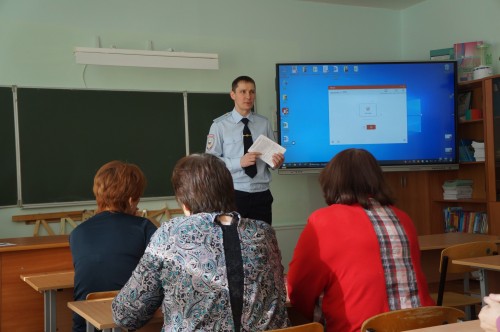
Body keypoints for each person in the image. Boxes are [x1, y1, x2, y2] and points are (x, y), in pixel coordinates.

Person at [112, 153, 289, 331]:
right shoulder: (264, 233)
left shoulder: (170, 233)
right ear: (230, 190)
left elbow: (126, 314)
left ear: (183, 201)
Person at [286, 148, 434, 332]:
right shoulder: (403, 217)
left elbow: (298, 288)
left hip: (361, 328)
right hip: (421, 325)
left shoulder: (323, 221)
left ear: (332, 181)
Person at [69, 160, 157, 332]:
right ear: (132, 200)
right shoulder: (145, 228)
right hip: (130, 324)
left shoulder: (77, 233)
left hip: (85, 325)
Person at [206, 75, 284, 225]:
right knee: (234, 242)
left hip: (262, 194)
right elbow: (211, 163)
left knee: (262, 242)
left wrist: (276, 162)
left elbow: (271, 160)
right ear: (233, 95)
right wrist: (239, 162)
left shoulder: (264, 123)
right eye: (243, 92)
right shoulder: (219, 125)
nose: (248, 96)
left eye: (252, 92)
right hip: (234, 194)